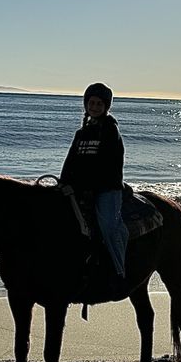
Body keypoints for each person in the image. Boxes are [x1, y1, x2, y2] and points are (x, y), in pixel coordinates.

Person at [60, 83, 129, 288]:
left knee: (109, 225)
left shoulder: (110, 130)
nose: (95, 107)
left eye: (99, 103)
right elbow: (70, 161)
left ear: (106, 106)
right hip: (81, 188)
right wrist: (63, 183)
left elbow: (107, 164)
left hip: (107, 188)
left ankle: (119, 272)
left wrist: (86, 186)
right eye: (91, 103)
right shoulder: (82, 133)